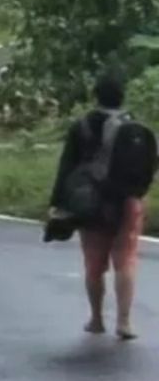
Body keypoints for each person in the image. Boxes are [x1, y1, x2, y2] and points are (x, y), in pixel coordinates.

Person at [49, 72, 150, 340]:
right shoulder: (133, 126)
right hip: (128, 201)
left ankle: (96, 319)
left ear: (96, 95)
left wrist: (57, 204)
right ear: (122, 96)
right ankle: (124, 322)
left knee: (94, 264)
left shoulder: (81, 126)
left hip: (92, 203)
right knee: (126, 260)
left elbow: (66, 166)